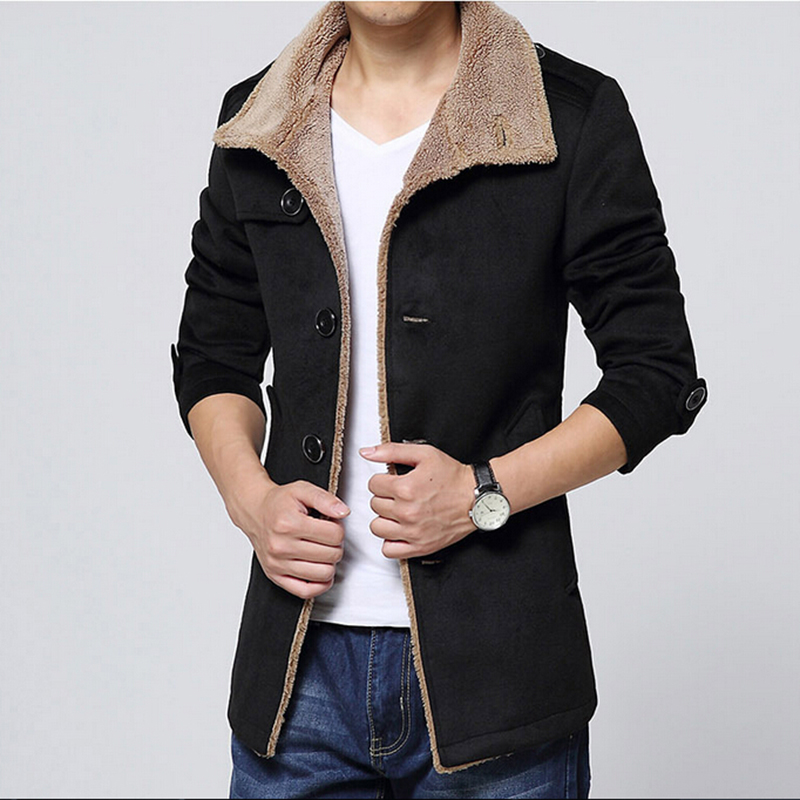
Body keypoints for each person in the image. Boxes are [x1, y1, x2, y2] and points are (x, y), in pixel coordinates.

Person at [171, 2, 707, 797]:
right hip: (296, 678)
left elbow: (656, 373)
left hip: (502, 677)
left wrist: (482, 493)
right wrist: (251, 501)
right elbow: (214, 355)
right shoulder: (260, 120)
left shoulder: (564, 115)